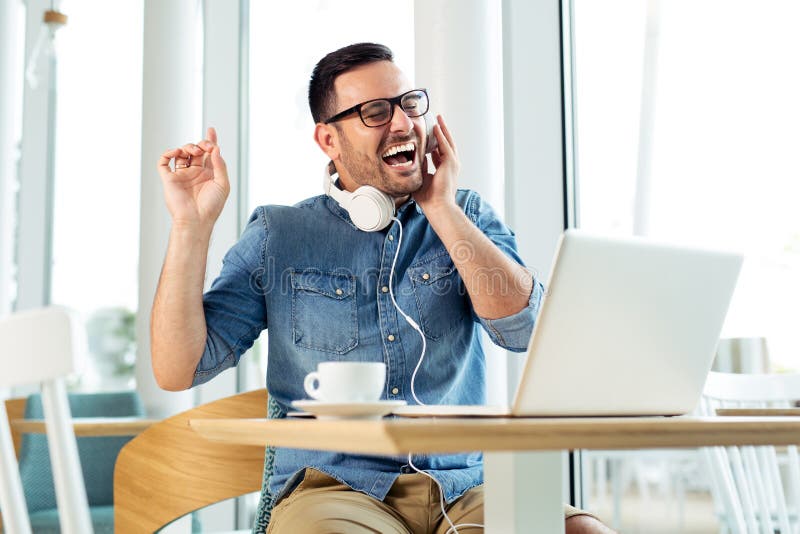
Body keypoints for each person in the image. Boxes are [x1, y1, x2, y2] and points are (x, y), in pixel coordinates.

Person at [152, 42, 613, 534]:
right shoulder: (278, 235)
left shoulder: (467, 216)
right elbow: (179, 369)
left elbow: (525, 330)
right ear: (328, 141)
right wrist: (190, 227)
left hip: (464, 489)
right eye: (374, 112)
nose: (402, 123)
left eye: (409, 103)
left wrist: (442, 209)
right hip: (334, 492)